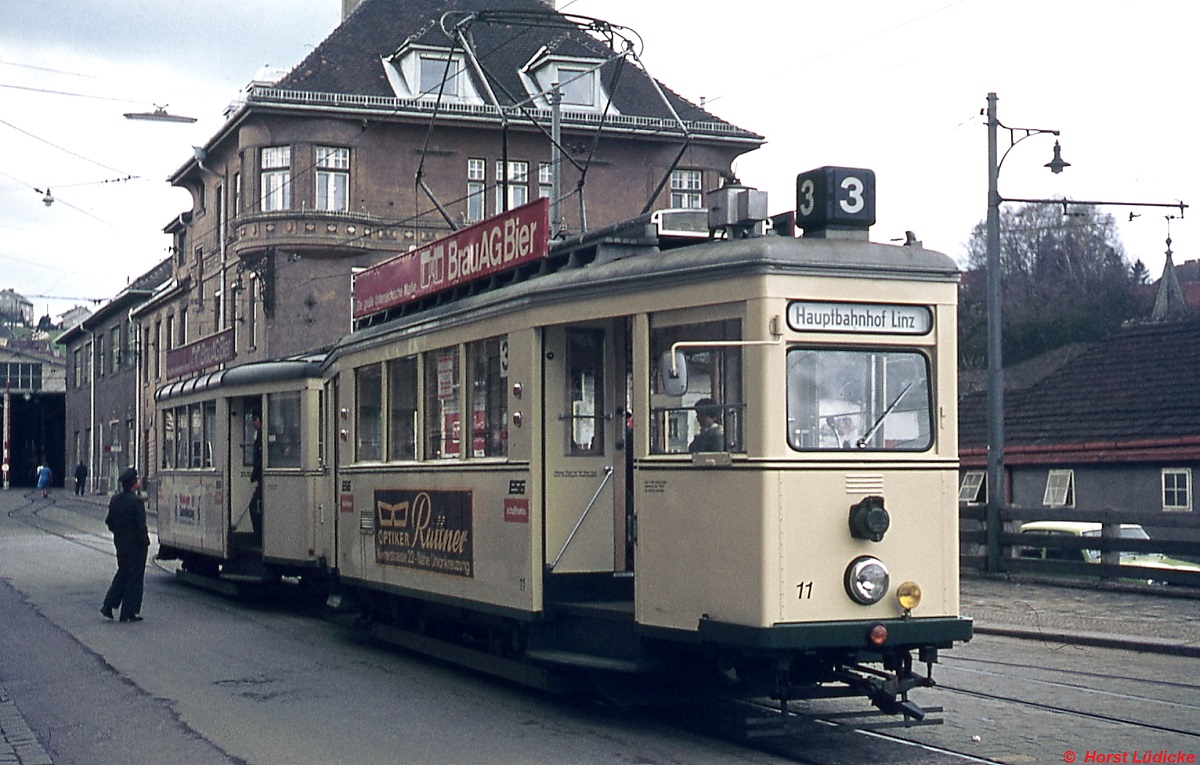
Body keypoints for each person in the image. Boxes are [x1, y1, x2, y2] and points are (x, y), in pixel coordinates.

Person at [101, 467, 149, 623]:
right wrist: (145, 542)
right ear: (134, 483)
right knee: (134, 578)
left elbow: (109, 522)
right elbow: (140, 526)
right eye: (138, 479)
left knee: (122, 574)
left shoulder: (115, 499)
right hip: (136, 546)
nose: (139, 481)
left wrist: (119, 533)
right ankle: (128, 612)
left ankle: (108, 605)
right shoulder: (137, 502)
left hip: (120, 544)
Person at [248, 412, 263, 543]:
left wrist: (255, 474)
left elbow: (259, 459)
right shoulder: (259, 434)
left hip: (262, 480)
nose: (253, 423)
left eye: (254, 419)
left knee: (253, 507)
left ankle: (258, 536)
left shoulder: (262, 435)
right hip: (261, 479)